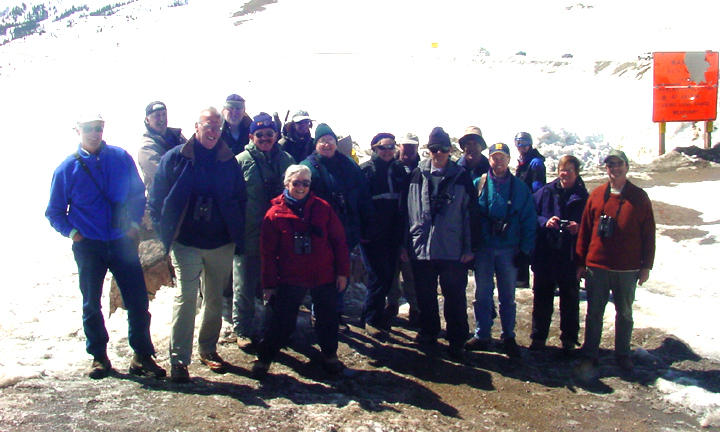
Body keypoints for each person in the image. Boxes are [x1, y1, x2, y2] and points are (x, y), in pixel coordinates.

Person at [46, 114, 165, 380]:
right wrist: (73, 233)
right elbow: (54, 211)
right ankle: (99, 356)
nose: (94, 133)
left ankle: (142, 356)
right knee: (91, 302)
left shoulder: (120, 158)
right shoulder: (67, 168)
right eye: (89, 129)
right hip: (89, 245)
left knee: (137, 300)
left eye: (98, 128)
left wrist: (133, 222)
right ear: (78, 130)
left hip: (121, 241)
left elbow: (137, 194)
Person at [149, 107, 247, 383]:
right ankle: (179, 360)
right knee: (187, 297)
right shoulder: (176, 158)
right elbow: (156, 200)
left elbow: (240, 199)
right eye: (208, 127)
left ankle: (208, 349)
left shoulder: (229, 161)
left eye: (217, 128)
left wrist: (236, 234)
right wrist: (166, 235)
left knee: (214, 299)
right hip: (186, 242)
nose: (213, 132)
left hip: (220, 243)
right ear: (196, 127)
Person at [252, 165, 350, 377]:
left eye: (306, 183)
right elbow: (267, 253)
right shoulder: (274, 214)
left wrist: (342, 272)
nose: (301, 187)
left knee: (327, 317)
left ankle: (330, 355)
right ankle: (265, 357)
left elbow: (339, 241)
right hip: (291, 276)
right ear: (286, 184)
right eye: (296, 183)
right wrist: (269, 285)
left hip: (323, 273)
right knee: (281, 320)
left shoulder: (322, 208)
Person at [402, 127, 479, 361]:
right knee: (425, 295)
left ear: (449, 150)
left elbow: (471, 215)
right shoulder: (416, 175)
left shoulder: (461, 177)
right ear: (429, 150)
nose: (438, 153)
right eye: (434, 149)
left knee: (454, 296)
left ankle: (457, 339)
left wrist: (469, 248)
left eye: (443, 149)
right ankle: (429, 332)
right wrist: (405, 244)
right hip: (421, 247)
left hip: (452, 249)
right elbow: (405, 213)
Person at [575, 149, 655, 373]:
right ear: (606, 168)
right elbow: (585, 230)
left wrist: (646, 265)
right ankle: (590, 353)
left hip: (627, 267)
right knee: (594, 313)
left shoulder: (639, 197)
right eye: (610, 165)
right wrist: (581, 262)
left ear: (626, 167)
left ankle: (622, 354)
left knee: (625, 313)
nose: (615, 169)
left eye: (619, 164)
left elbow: (649, 234)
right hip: (597, 266)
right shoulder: (597, 195)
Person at [301, 123, 375, 331]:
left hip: (345, 231)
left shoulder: (348, 165)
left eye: (330, 140)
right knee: (321, 274)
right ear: (316, 144)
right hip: (318, 232)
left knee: (342, 272)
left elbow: (362, 196)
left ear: (335, 143)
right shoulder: (307, 167)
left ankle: (336, 314)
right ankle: (320, 314)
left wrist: (366, 224)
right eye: (322, 141)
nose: (326, 144)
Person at [465, 142, 536, 359]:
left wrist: (525, 251)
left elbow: (529, 220)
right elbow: (468, 219)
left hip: (509, 249)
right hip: (485, 249)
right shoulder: (478, 184)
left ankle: (508, 336)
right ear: (490, 159)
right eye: (494, 157)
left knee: (508, 296)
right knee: (482, 294)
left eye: (502, 157)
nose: (498, 161)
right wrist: (470, 247)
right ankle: (482, 333)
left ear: (509, 159)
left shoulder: (520, 188)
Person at [233, 113, 294, 348]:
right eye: (260, 135)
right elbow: (231, 197)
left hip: (280, 233)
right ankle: (243, 330)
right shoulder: (241, 161)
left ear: (276, 135)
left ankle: (276, 328)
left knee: (279, 283)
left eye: (269, 134)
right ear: (251, 136)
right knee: (245, 284)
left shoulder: (286, 159)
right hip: (248, 233)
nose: (265, 138)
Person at [530, 155, 588, 354]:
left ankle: (569, 339)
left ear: (577, 172)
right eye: (562, 170)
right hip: (546, 252)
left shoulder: (583, 196)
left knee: (570, 299)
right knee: (542, 297)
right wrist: (545, 221)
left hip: (569, 255)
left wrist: (578, 227)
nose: (565, 174)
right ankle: (538, 337)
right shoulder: (546, 191)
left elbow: (590, 225)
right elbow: (531, 214)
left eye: (570, 170)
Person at [359, 133, 409, 336]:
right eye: (382, 147)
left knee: (388, 276)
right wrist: (362, 230)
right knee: (378, 276)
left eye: (391, 147)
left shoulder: (399, 170)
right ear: (374, 149)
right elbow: (358, 202)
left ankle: (373, 315)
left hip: (393, 232)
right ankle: (372, 319)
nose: (387, 151)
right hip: (371, 233)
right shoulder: (365, 171)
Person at [386, 132, 420, 325]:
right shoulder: (392, 167)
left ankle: (415, 308)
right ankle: (392, 304)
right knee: (392, 270)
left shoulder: (422, 168)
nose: (408, 149)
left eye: (412, 146)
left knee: (411, 272)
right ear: (400, 146)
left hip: (413, 225)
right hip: (391, 225)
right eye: (405, 146)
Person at [514, 132, 546, 288]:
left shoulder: (535, 163)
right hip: (523, 207)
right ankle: (522, 277)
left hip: (530, 209)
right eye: (519, 143)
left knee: (529, 244)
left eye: (524, 143)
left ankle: (529, 279)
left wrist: (533, 208)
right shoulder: (524, 161)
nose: (521, 147)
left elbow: (537, 189)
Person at [137, 101, 187, 193]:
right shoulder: (146, 148)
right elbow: (162, 176)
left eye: (164, 114)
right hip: (162, 202)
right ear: (147, 120)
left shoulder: (178, 137)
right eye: (157, 116)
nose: (161, 119)